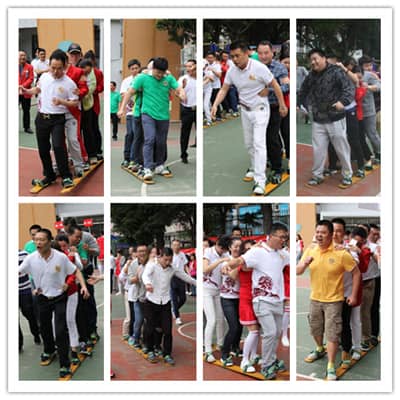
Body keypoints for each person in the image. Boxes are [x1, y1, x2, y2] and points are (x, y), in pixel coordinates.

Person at [211, 41, 288, 195]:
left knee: (260, 144)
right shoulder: (232, 71)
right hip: (245, 111)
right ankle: (254, 167)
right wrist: (215, 104)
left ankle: (260, 180)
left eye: (238, 56)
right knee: (249, 144)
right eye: (232, 56)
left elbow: (276, 85)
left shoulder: (259, 68)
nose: (235, 59)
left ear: (247, 53)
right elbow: (224, 89)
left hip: (261, 110)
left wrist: (282, 105)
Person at [18, 229, 90, 378]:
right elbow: (18, 272)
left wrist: (81, 286)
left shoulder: (60, 257)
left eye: (42, 240)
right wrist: (33, 288)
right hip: (42, 298)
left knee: (60, 330)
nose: (38, 242)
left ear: (50, 241)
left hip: (59, 298)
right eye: (36, 240)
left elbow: (75, 271)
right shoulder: (31, 258)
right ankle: (49, 350)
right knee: (44, 328)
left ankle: (64, 364)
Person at [296, 220, 360, 380]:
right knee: (315, 329)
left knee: (332, 333)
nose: (319, 235)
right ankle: (319, 348)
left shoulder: (341, 253)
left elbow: (356, 273)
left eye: (323, 232)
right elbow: (298, 271)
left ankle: (330, 365)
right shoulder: (310, 249)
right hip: (315, 298)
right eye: (317, 232)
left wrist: (353, 295)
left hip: (334, 301)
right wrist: (304, 264)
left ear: (331, 235)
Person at [225, 223, 290, 380]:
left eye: (285, 237)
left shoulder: (283, 254)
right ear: (271, 236)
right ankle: (266, 365)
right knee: (270, 332)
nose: (284, 240)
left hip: (277, 300)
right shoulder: (257, 252)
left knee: (276, 333)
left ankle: (271, 360)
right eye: (281, 237)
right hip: (261, 300)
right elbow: (240, 261)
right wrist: (227, 264)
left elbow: (296, 267)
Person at [118, 57, 186, 181]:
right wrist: (122, 108)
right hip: (147, 114)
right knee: (149, 139)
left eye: (162, 72)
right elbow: (129, 92)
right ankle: (147, 167)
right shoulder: (142, 78)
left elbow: (178, 88)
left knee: (161, 141)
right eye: (157, 72)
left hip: (163, 115)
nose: (160, 75)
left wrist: (182, 94)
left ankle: (159, 165)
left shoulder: (168, 78)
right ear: (153, 69)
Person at [19, 49, 79, 188]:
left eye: (59, 68)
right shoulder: (44, 77)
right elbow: (37, 90)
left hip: (58, 119)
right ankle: (49, 175)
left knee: (58, 146)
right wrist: (27, 91)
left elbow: (75, 102)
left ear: (65, 66)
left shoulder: (69, 83)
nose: (55, 71)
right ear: (49, 65)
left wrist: (62, 102)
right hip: (41, 118)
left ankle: (66, 176)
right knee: (43, 148)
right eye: (53, 68)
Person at [299, 48, 355, 187]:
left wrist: (343, 102)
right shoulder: (311, 75)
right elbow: (303, 90)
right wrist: (299, 104)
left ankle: (347, 174)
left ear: (324, 58)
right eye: (311, 60)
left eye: (315, 59)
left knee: (341, 148)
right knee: (318, 149)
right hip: (318, 118)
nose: (313, 62)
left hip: (335, 117)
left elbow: (349, 88)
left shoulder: (336, 72)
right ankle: (317, 175)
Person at [142, 247, 196, 365]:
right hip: (151, 301)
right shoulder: (152, 265)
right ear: (160, 256)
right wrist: (148, 284)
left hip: (165, 302)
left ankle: (167, 353)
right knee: (150, 328)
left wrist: (197, 283)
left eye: (170, 260)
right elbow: (145, 275)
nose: (168, 262)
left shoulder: (172, 269)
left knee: (167, 330)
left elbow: (185, 276)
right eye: (165, 259)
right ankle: (150, 350)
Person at [256, 41, 290, 183]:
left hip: (274, 107)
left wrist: (269, 91)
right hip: (257, 108)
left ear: (272, 53)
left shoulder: (279, 67)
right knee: (259, 139)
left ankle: (277, 169)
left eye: (266, 53)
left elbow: (287, 87)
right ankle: (266, 161)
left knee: (272, 138)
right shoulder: (254, 67)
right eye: (260, 53)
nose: (263, 56)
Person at [203, 235, 231, 362]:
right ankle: (208, 350)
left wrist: (226, 266)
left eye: (225, 250)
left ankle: (220, 344)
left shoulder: (226, 254)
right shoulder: (208, 252)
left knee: (221, 319)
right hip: (206, 290)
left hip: (219, 291)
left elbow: (228, 266)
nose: (222, 252)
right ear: (217, 244)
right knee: (212, 320)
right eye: (221, 249)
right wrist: (220, 261)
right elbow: (205, 269)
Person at [219, 237, 243, 366]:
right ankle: (225, 353)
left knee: (240, 325)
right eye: (235, 246)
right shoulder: (225, 261)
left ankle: (235, 347)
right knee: (233, 326)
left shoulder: (242, 260)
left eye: (240, 246)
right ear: (230, 247)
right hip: (227, 298)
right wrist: (237, 265)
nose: (237, 249)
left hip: (240, 297)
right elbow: (234, 275)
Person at [119, 59, 142, 168]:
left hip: (141, 111)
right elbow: (124, 94)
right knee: (130, 134)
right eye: (132, 69)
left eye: (136, 68)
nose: (134, 70)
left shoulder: (143, 79)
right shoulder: (126, 81)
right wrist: (130, 100)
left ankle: (136, 158)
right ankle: (127, 158)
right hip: (130, 112)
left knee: (138, 135)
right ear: (129, 69)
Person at [18, 250, 41, 352]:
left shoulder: (24, 254)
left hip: (25, 290)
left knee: (29, 313)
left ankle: (36, 333)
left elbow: (33, 269)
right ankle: (18, 344)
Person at [178, 59, 197, 164]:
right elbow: (177, 91)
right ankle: (183, 154)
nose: (188, 69)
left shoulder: (201, 78)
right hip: (187, 109)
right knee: (185, 133)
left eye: (190, 66)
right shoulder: (183, 79)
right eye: (187, 67)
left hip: (198, 109)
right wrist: (181, 94)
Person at [170, 240, 189, 325]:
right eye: (174, 245)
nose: (176, 247)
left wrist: (189, 275)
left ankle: (174, 309)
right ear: (172, 246)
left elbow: (185, 266)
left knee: (183, 299)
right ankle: (177, 317)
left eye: (178, 245)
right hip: (172, 278)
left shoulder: (182, 254)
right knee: (174, 299)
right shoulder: (170, 255)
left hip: (181, 278)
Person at [19, 51, 34, 133]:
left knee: (26, 110)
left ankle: (27, 127)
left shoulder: (30, 67)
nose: (23, 57)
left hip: (26, 91)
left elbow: (31, 78)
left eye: (24, 55)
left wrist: (23, 86)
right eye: (21, 55)